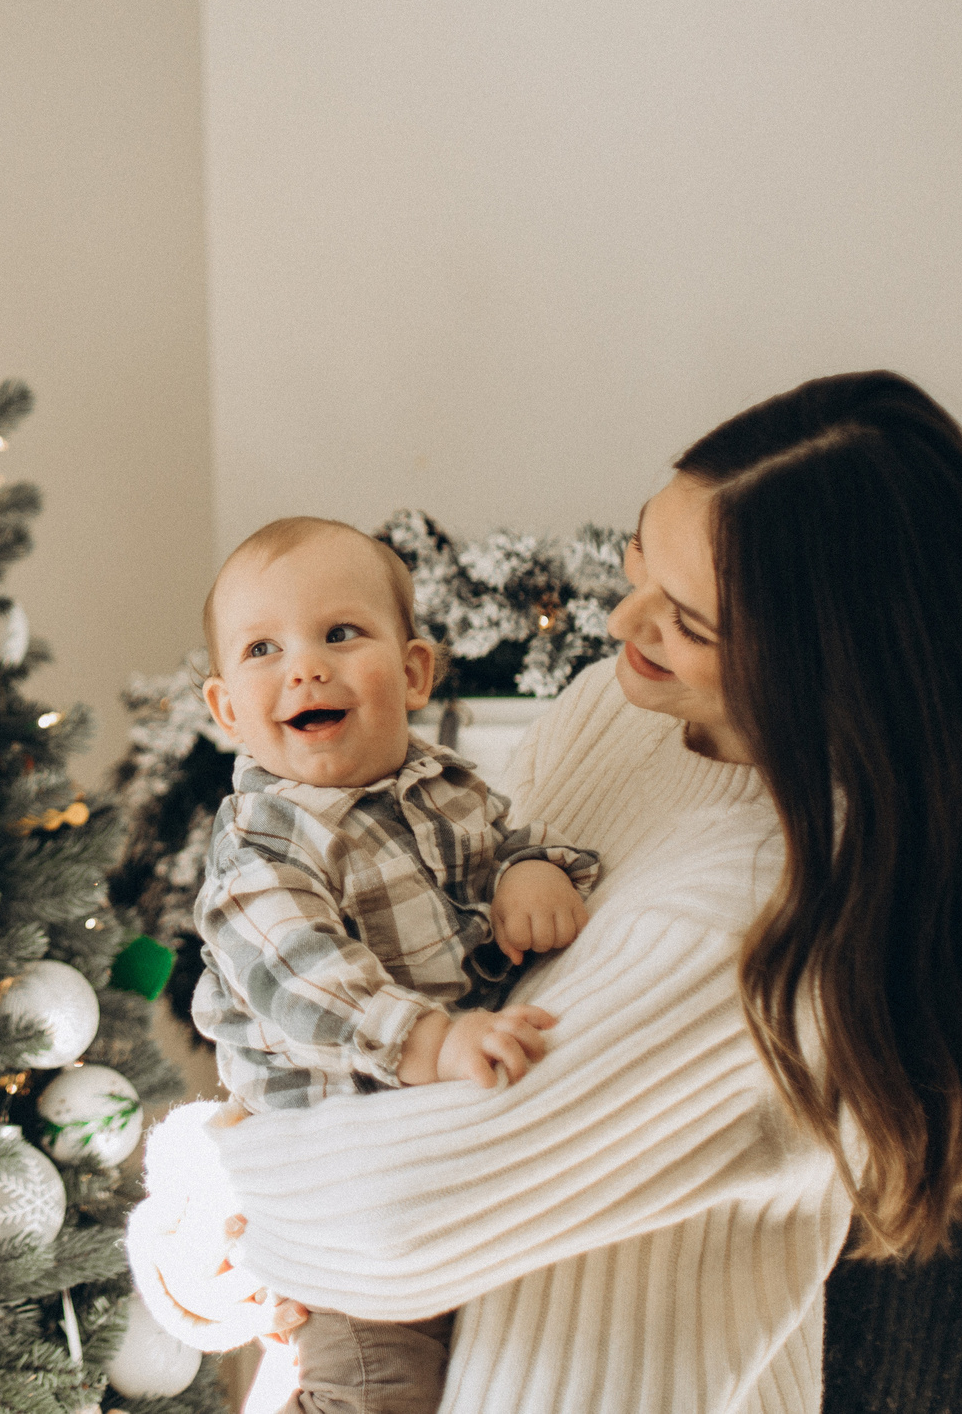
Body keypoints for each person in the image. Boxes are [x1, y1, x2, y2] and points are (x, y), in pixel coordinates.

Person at [133, 371, 962, 1414]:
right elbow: (449, 958)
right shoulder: (626, 704)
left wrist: (221, 1179)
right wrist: (224, 1204)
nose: (624, 617)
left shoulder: (761, 905)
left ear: (818, 667)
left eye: (685, 618)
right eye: (641, 557)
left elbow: (388, 1222)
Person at [187, 516, 599, 1412]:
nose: (306, 667)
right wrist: (433, 1040)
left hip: (435, 1154)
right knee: (381, 1387)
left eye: (341, 633)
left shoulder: (447, 785)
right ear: (226, 711)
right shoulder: (261, 845)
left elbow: (517, 841)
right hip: (337, 1176)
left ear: (414, 672)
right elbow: (305, 984)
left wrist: (533, 870)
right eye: (264, 648)